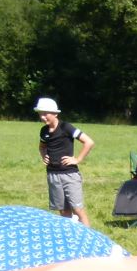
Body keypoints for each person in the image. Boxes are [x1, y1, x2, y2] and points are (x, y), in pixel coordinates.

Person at [35, 97, 94, 227]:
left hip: (69, 175)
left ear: (55, 114)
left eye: (45, 113)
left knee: (78, 210)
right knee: (63, 210)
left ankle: (88, 235)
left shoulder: (66, 127)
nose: (42, 117)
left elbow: (88, 142)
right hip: (52, 175)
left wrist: (77, 159)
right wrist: (44, 156)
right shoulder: (44, 131)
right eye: (40, 114)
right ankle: (69, 234)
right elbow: (42, 146)